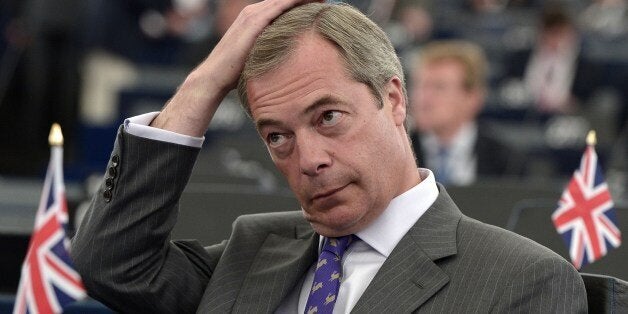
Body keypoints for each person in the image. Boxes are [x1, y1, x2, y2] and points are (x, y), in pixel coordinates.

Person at [71, 1, 587, 313]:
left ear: (394, 100)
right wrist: (207, 82)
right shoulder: (252, 251)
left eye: (328, 118)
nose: (309, 159)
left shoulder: (522, 279)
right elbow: (112, 263)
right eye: (277, 136)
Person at [410, 40, 513, 186]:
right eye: (420, 86)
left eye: (439, 87)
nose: (422, 98)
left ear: (473, 98)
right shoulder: (398, 155)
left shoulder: (508, 162)